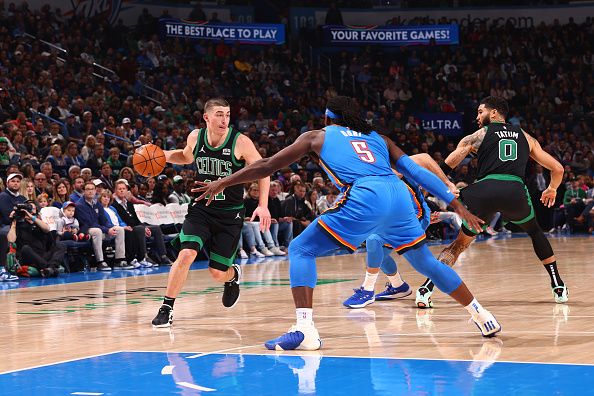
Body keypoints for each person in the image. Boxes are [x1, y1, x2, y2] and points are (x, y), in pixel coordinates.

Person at [195, 96, 499, 351]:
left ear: (329, 117)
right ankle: (480, 313)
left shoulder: (317, 136)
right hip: (399, 195)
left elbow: (266, 165)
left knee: (301, 248)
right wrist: (456, 204)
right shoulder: (379, 138)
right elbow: (416, 172)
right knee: (426, 263)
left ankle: (305, 330)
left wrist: (223, 182)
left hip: (366, 194)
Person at [415, 96, 568, 309]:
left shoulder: (478, 135)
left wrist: (436, 185)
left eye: (480, 112)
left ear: (494, 112)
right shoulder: (527, 137)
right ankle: (558, 286)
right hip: (514, 191)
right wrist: (551, 189)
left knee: (459, 244)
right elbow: (558, 169)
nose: (477, 117)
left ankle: (426, 288)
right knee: (535, 232)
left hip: (483, 192)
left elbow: (448, 164)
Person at [151, 98, 271, 328]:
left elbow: (264, 170)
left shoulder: (241, 142)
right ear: (206, 117)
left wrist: (263, 204)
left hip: (229, 214)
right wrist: (164, 155)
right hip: (201, 209)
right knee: (186, 254)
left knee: (217, 272)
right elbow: (186, 157)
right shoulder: (196, 137)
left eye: (227, 114)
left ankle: (232, 276)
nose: (224, 119)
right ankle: (167, 307)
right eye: (219, 114)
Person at [343, 154, 459, 309]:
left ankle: (367, 290)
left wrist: (447, 184)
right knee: (378, 253)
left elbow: (425, 158)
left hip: (414, 215)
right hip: (395, 216)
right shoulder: (362, 175)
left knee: (374, 241)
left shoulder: (389, 161)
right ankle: (399, 286)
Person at [75, 181, 133, 271]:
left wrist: (110, 228)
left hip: (100, 228)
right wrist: (107, 230)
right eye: (88, 189)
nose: (90, 191)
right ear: (84, 191)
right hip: (86, 229)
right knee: (97, 231)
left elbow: (104, 220)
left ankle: (119, 260)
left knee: (119, 229)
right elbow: (90, 223)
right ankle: (100, 262)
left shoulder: (97, 203)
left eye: (92, 189)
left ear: (95, 191)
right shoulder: (79, 205)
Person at [112, 179, 172, 266]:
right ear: (115, 191)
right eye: (119, 189)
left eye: (123, 188)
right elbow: (121, 220)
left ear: (126, 190)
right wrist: (142, 228)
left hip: (136, 227)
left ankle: (163, 256)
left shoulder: (129, 203)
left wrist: (145, 227)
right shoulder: (114, 204)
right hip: (126, 228)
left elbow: (136, 220)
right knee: (140, 229)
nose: (121, 190)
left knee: (156, 228)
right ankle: (144, 257)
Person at [0, 173, 25, 280]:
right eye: (13, 181)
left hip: (21, 224)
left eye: (18, 181)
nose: (16, 183)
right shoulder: (3, 196)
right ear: (7, 183)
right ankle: (3, 269)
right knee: (4, 234)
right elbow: (7, 217)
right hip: (6, 226)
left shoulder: (22, 197)